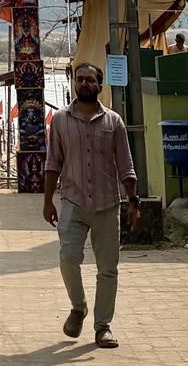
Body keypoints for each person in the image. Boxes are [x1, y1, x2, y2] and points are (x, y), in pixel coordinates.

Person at [43, 62, 139, 349]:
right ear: (74, 83)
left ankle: (103, 327)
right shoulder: (60, 120)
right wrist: (47, 201)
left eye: (90, 79)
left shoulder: (114, 122)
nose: (84, 83)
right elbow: (53, 163)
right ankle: (79, 306)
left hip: (107, 204)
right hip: (72, 201)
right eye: (80, 79)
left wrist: (133, 202)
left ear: (100, 84)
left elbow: (126, 165)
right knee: (68, 258)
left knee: (108, 268)